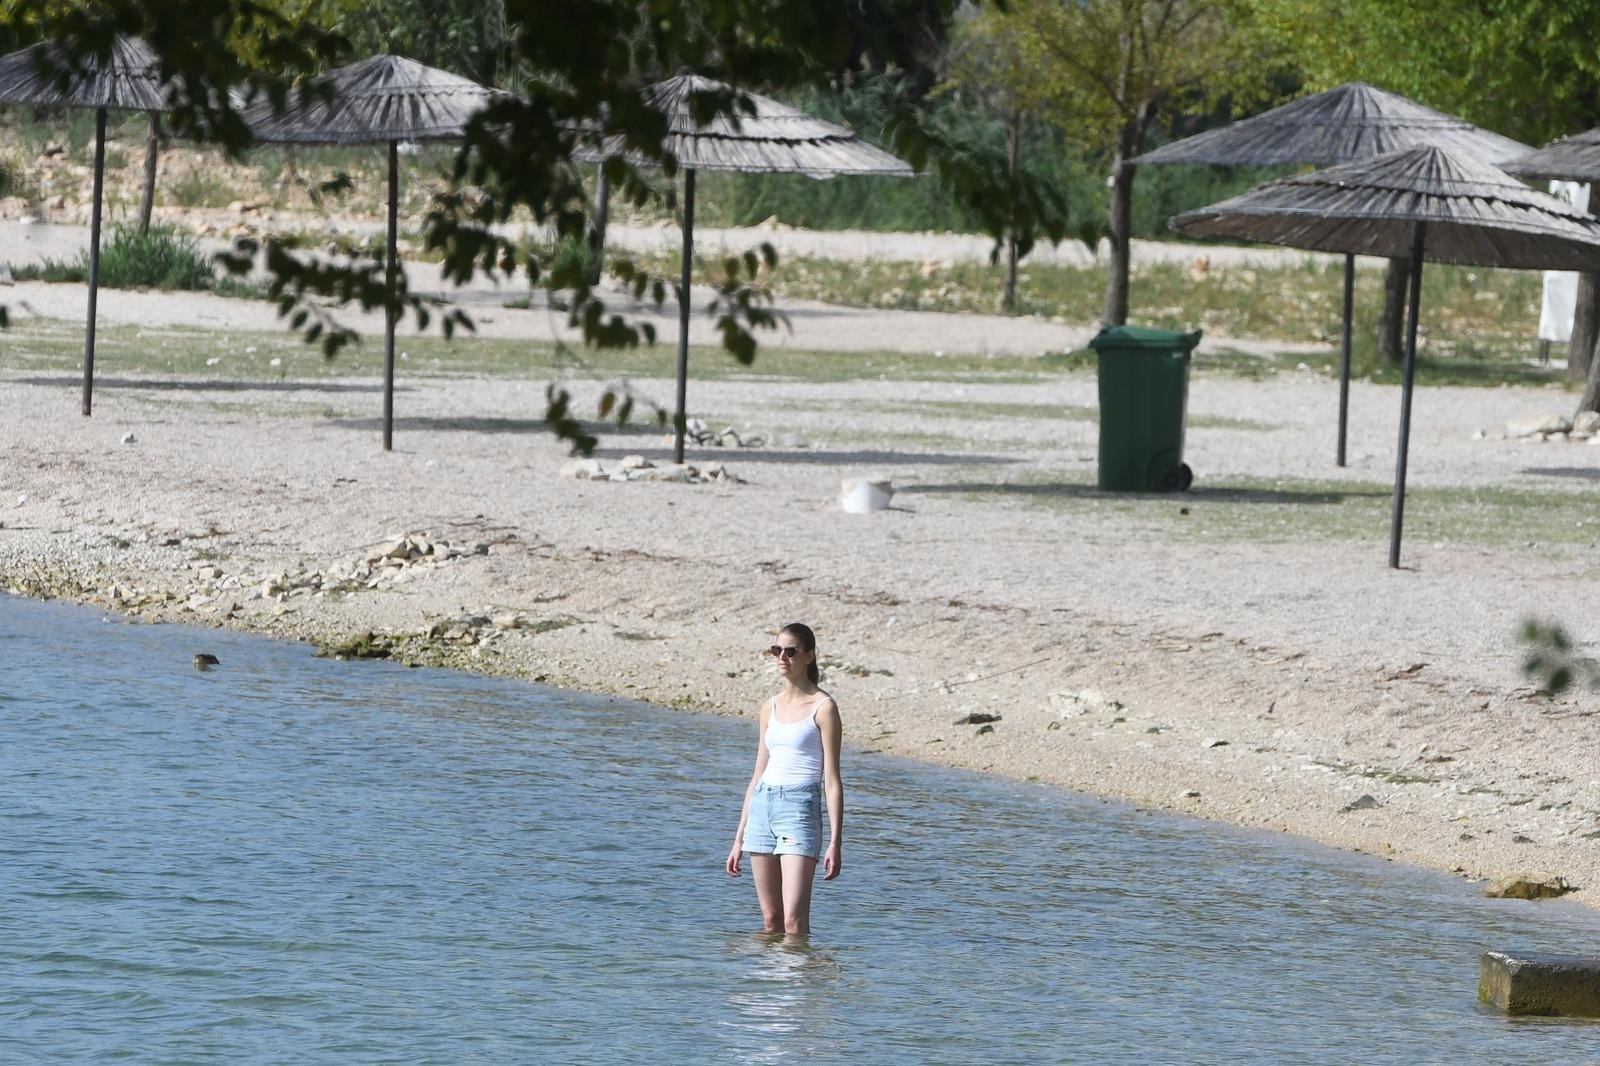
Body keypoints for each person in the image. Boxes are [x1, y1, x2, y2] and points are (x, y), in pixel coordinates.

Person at [726, 622, 843, 937]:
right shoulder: (770, 707)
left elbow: (832, 780)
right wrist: (738, 839)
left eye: (790, 651)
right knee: (771, 921)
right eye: (777, 650)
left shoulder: (824, 707)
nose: (782, 657)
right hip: (763, 807)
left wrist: (835, 842)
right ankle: (768, 984)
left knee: (793, 922)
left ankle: (798, 984)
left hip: (799, 808)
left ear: (809, 656)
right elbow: (757, 774)